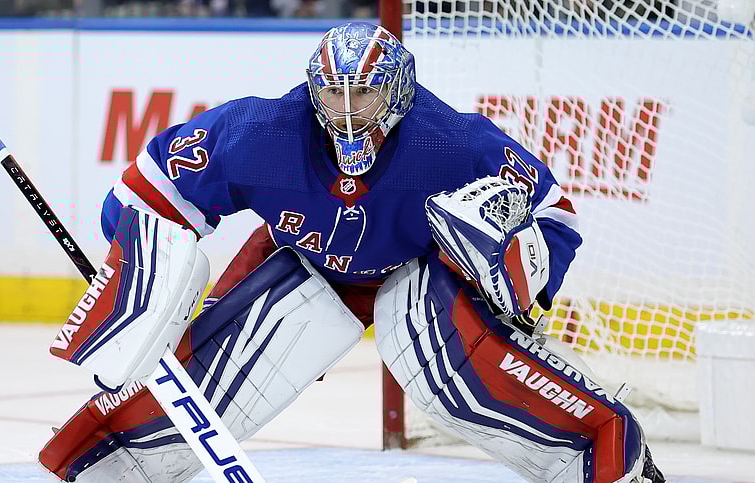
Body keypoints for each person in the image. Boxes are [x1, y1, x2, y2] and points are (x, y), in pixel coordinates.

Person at [38, 22, 664, 483]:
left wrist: (516, 273)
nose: (343, 111)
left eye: (360, 95)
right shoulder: (261, 132)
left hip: (414, 269)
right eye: (331, 93)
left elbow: (554, 214)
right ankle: (104, 464)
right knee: (202, 382)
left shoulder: (450, 143)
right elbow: (145, 191)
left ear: (394, 92)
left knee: (449, 376)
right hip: (304, 260)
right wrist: (141, 273)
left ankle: (607, 447)